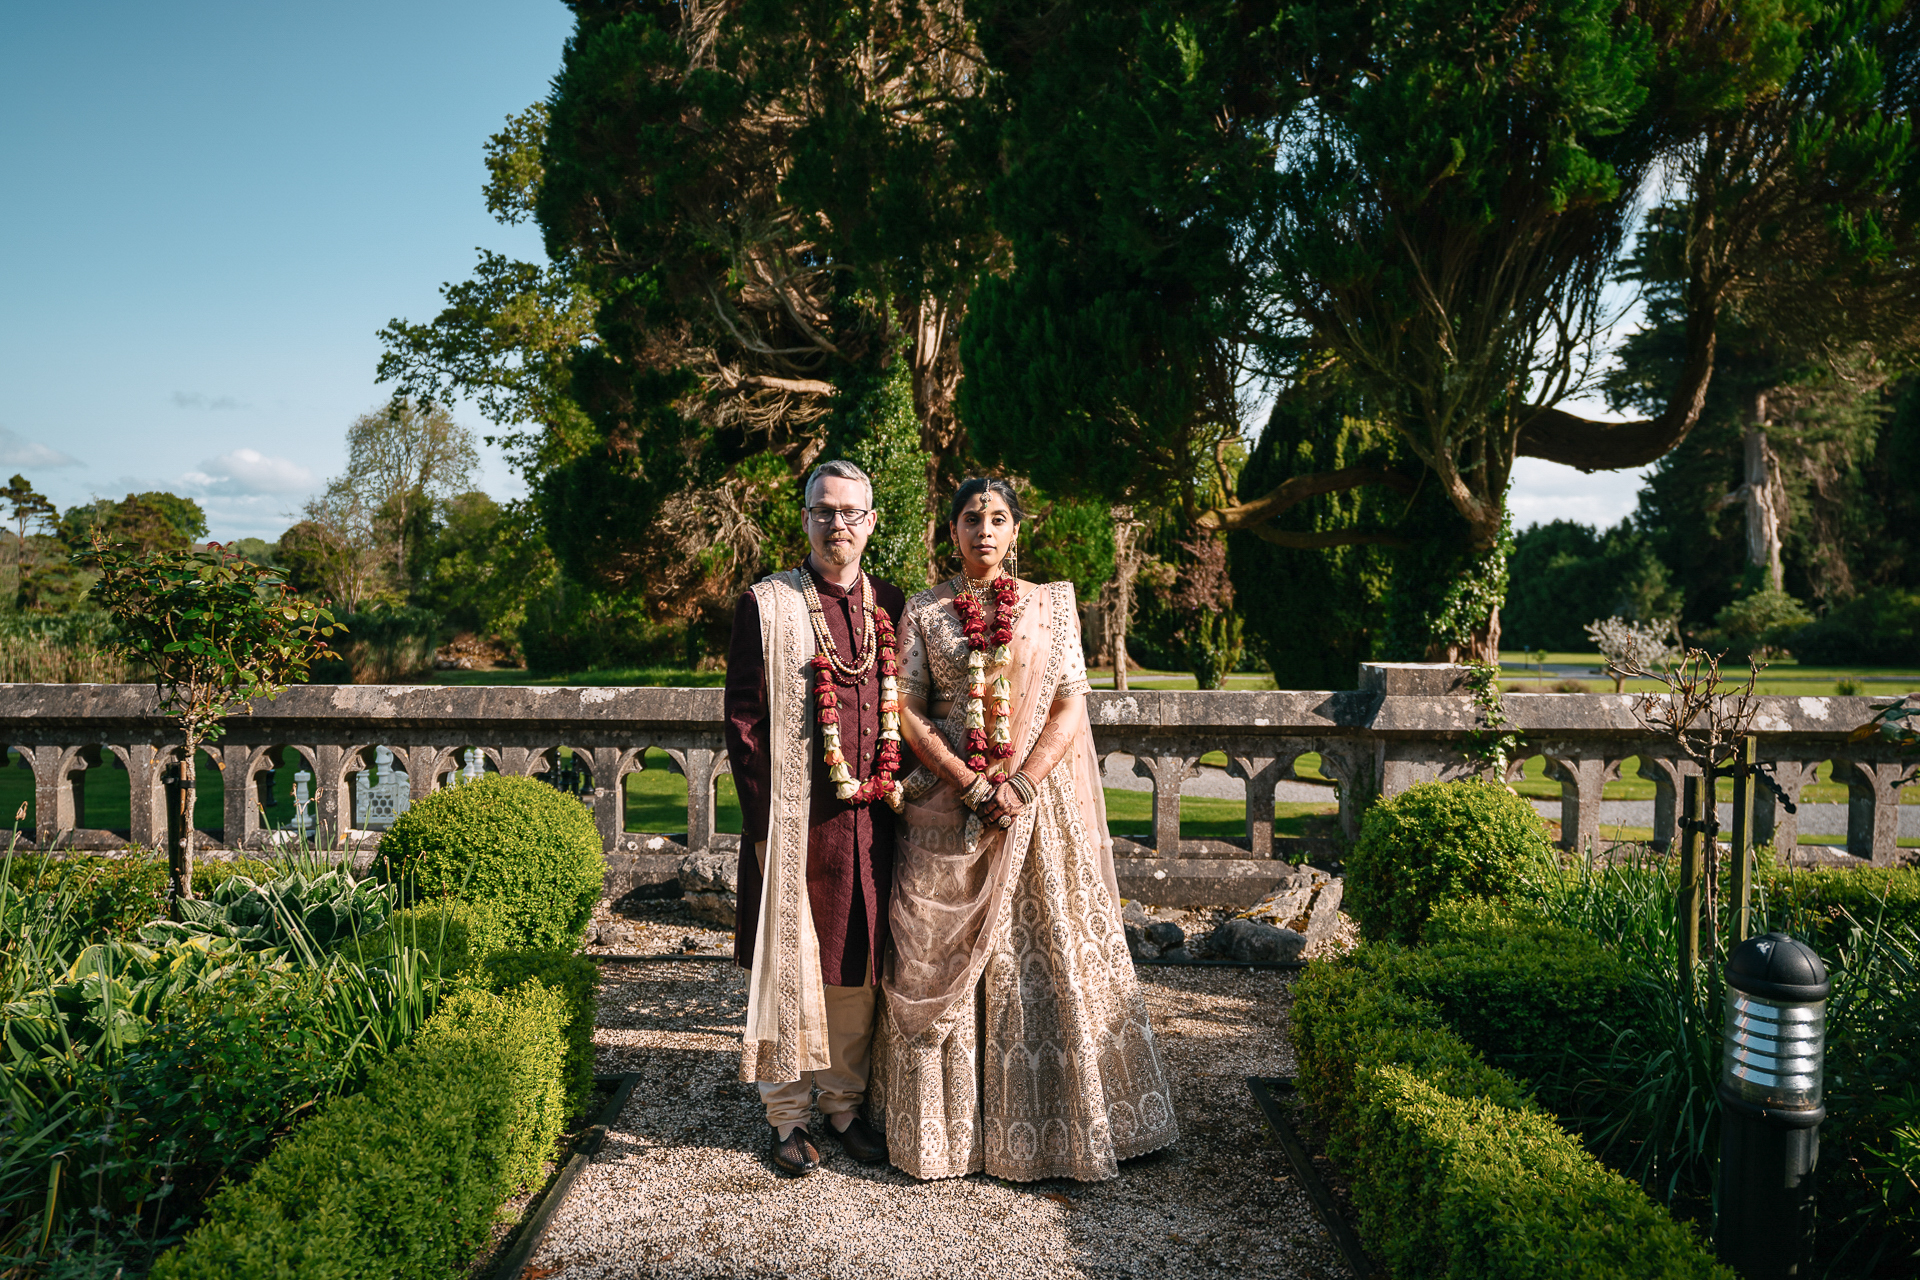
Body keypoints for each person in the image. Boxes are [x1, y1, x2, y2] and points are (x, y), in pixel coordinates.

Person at [870, 477, 1178, 1181]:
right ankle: (945, 1137)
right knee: (931, 952)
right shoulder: (923, 610)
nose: (985, 529)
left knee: (1043, 958)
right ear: (951, 532)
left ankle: (1054, 1130)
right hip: (951, 808)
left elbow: (1071, 703)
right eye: (972, 518)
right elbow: (908, 707)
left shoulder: (1049, 607)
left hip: (1036, 811)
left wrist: (1024, 781)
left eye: (999, 518)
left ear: (1015, 532)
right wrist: (969, 780)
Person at [723, 459, 912, 1176]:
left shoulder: (890, 604)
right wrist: (767, 828)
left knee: (856, 971)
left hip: (873, 824)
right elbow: (743, 724)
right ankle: (787, 1117)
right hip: (794, 824)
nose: (839, 523)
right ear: (805, 519)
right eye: (825, 510)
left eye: (851, 512)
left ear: (871, 521)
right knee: (788, 970)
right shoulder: (766, 604)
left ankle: (842, 1105)